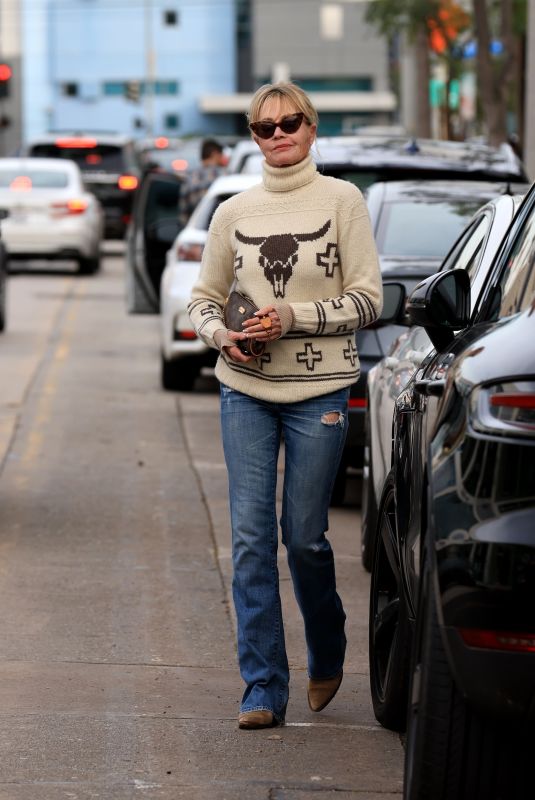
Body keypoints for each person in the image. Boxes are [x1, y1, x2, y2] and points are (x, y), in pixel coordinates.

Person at [187, 82, 382, 730]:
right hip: (243, 389)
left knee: (303, 538)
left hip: (319, 390)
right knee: (249, 542)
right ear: (252, 136)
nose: (277, 135)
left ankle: (327, 649)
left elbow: (367, 300)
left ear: (310, 126)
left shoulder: (342, 200)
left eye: (289, 122)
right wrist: (222, 336)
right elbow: (203, 298)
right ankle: (262, 687)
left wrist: (291, 316)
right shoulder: (233, 211)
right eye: (264, 127)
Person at [178, 138, 227, 226]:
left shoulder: (189, 178)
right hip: (220, 230)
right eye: (221, 155)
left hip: (197, 231)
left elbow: (184, 212)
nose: (222, 159)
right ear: (215, 154)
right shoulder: (223, 176)